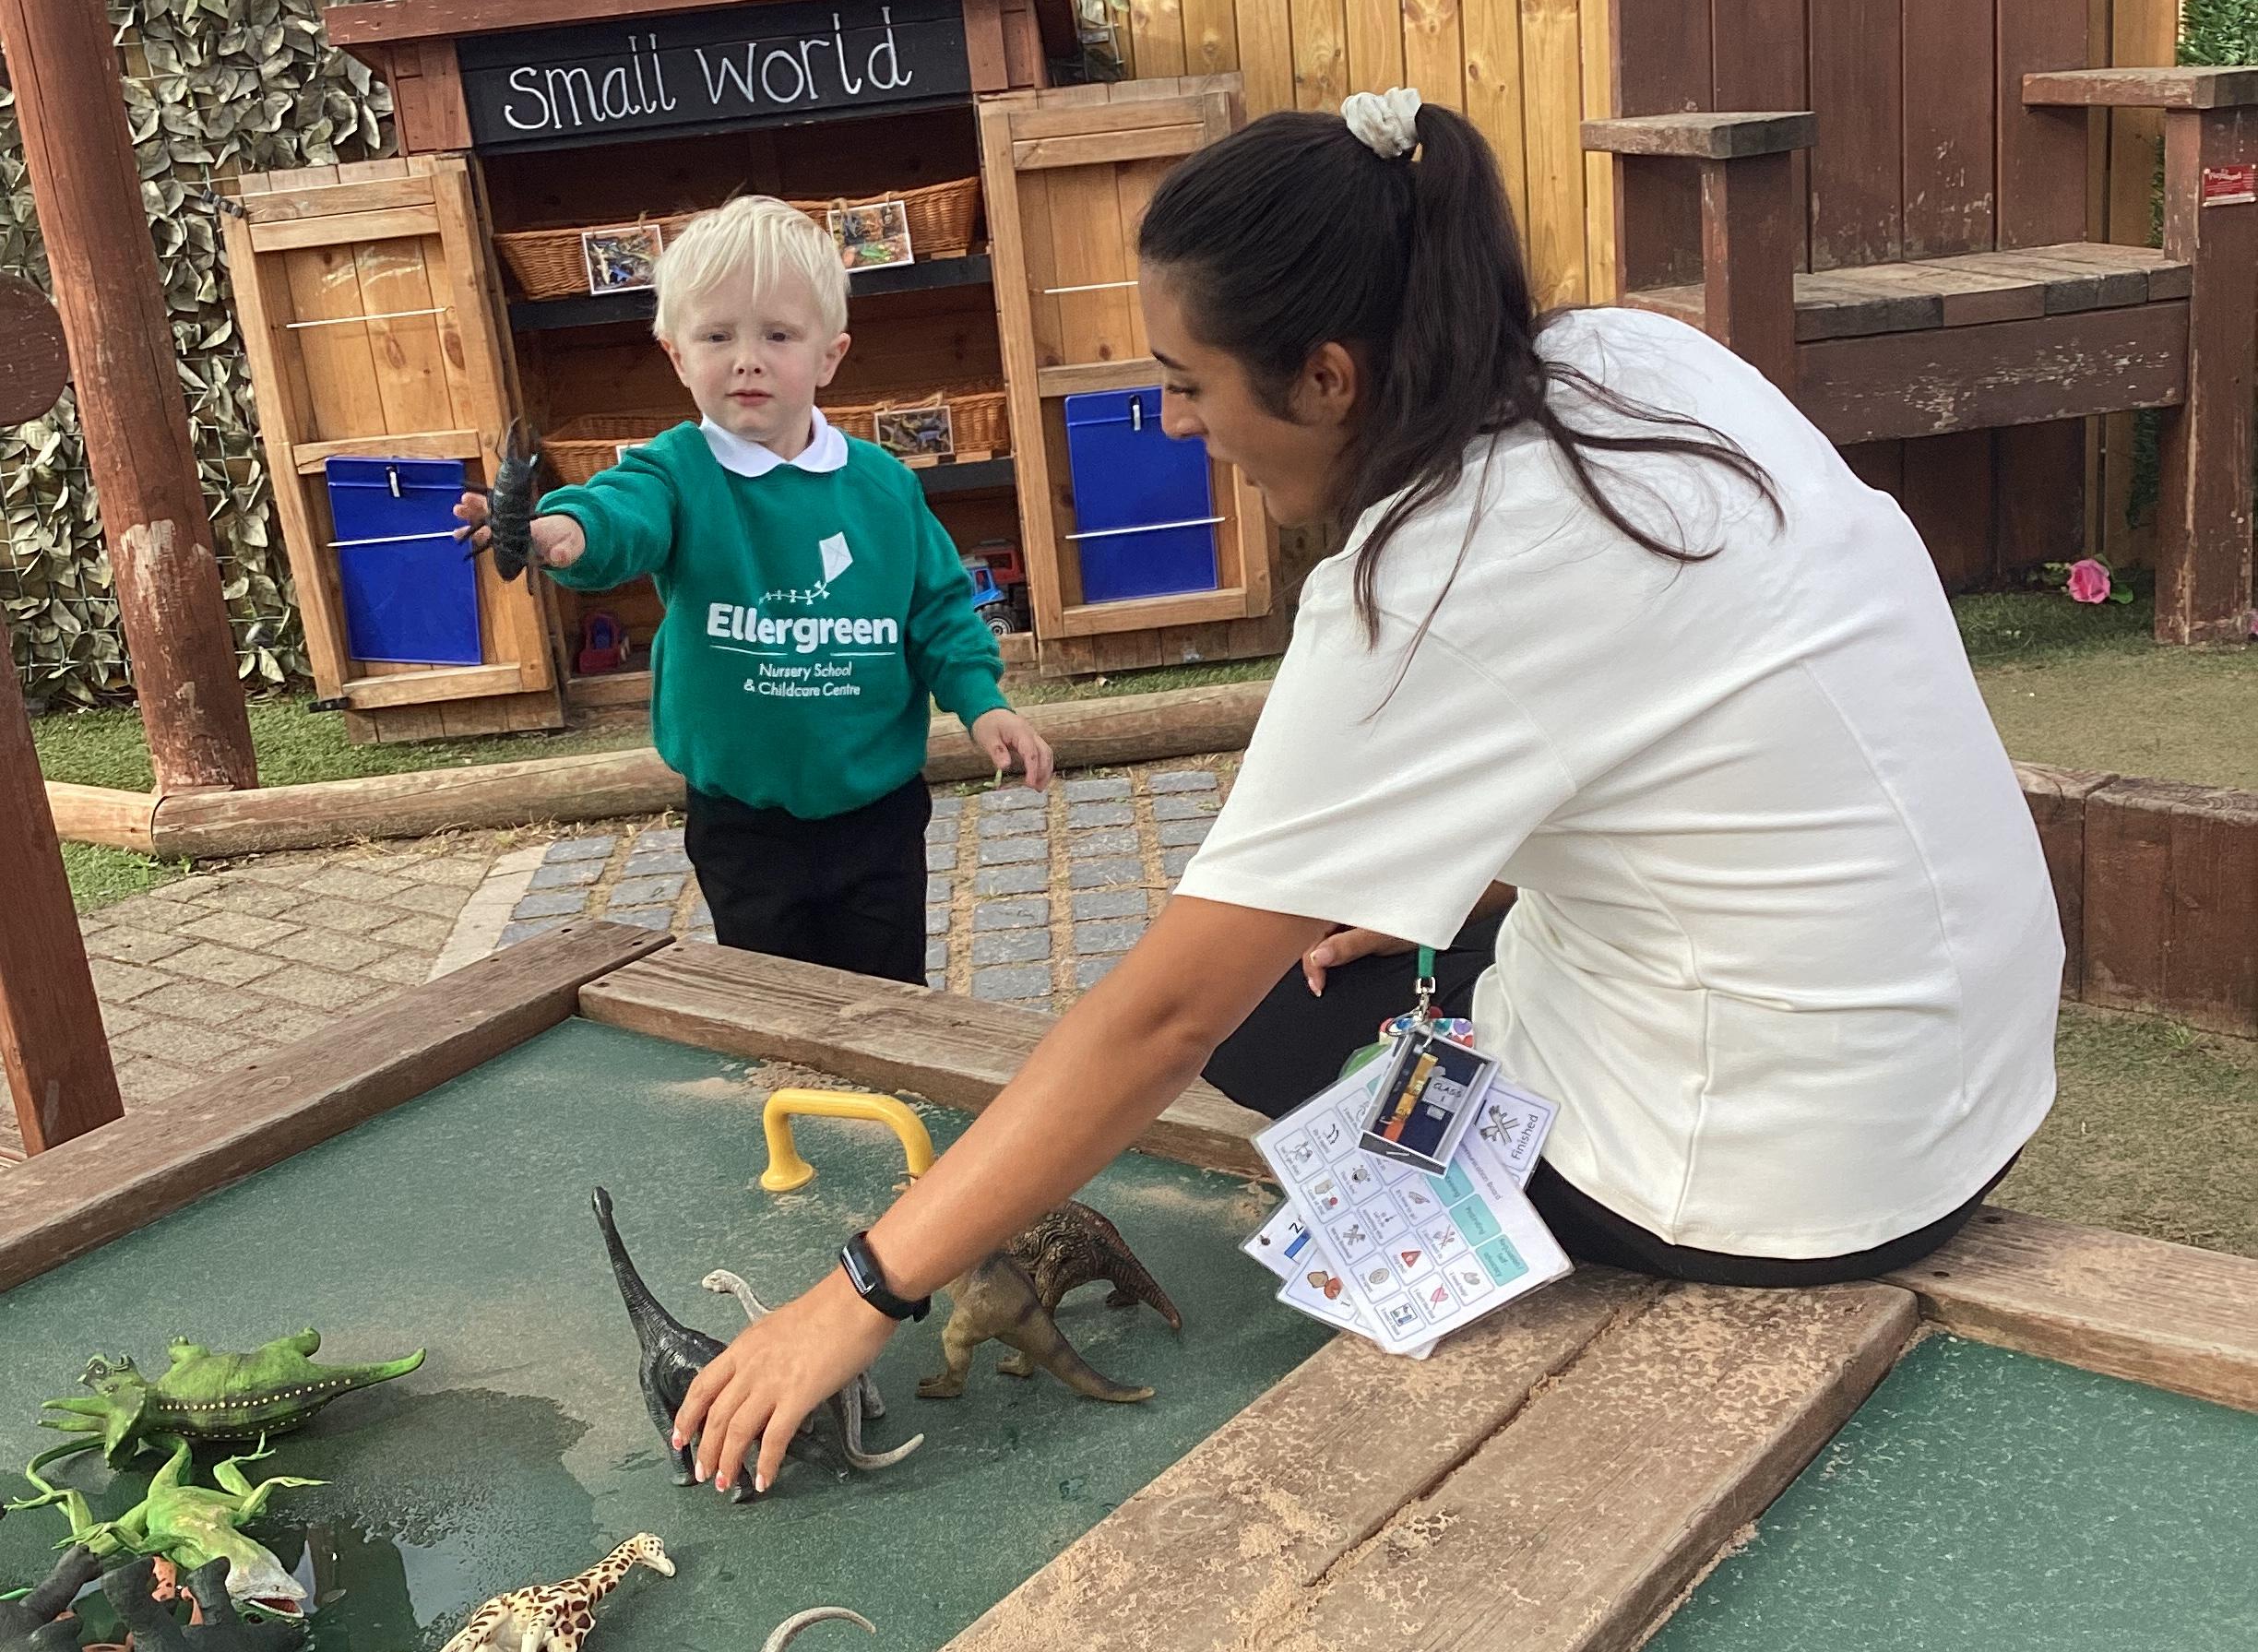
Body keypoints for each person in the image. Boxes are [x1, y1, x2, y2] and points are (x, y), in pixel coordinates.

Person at [670, 92, 2062, 1497]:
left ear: (1329, 377)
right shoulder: (1637, 358)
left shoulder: (1424, 585)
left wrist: (859, 1293)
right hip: (1971, 1072)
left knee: (1263, 1014)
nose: (1177, 419)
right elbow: (1703, 714)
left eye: (1192, 382)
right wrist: (1454, 877)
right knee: (1337, 951)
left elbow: (1160, 1019)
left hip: (1781, 1178)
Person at [458, 195, 1052, 981]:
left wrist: (983, 702)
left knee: (888, 995)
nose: (747, 359)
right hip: (740, 817)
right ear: (676, 356)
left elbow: (939, 610)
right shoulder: (676, 470)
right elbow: (620, 513)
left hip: (875, 806)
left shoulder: (883, 485)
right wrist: (566, 531)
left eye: (778, 335)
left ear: (830, 355)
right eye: (717, 336)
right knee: (772, 997)